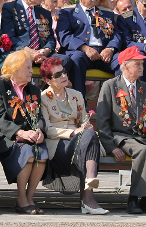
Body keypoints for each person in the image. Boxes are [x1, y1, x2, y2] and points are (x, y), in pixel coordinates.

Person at [96, 46, 146, 214]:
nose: (142, 67)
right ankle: (133, 198)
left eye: (142, 63)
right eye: (137, 64)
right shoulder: (110, 86)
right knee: (142, 151)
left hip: (143, 137)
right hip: (121, 136)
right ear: (125, 65)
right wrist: (111, 146)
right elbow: (102, 121)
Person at [39, 57, 108, 215]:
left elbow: (84, 120)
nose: (64, 76)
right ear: (47, 80)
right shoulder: (43, 98)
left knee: (89, 133)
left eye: (63, 71)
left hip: (81, 139)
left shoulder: (76, 95)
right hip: (58, 143)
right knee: (89, 137)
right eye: (57, 75)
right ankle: (88, 197)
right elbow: (47, 129)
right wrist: (72, 132)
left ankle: (89, 184)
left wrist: (85, 126)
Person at [0, 50, 47, 215]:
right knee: (28, 152)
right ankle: (21, 199)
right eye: (27, 67)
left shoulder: (34, 90)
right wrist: (19, 133)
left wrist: (39, 130)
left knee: (42, 153)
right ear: (15, 68)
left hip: (30, 135)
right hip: (7, 136)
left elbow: (39, 116)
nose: (32, 71)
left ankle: (29, 198)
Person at [57, 0, 122, 95]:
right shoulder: (68, 12)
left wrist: (110, 49)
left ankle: (120, 101)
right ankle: (79, 102)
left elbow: (117, 34)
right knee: (76, 59)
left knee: (123, 61)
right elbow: (64, 36)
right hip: (82, 53)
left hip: (104, 53)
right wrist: (84, 48)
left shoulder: (107, 13)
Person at [2, 0, 71, 79]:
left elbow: (50, 37)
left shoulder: (44, 13)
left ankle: (49, 88)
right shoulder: (10, 8)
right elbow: (9, 36)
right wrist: (28, 51)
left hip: (41, 55)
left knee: (65, 60)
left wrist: (45, 51)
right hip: (21, 52)